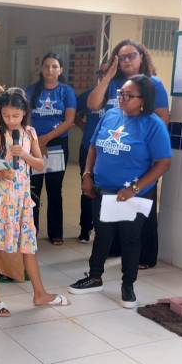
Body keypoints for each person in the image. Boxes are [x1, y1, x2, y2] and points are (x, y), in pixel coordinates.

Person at [69, 75, 172, 308]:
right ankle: (94, 277)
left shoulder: (153, 125)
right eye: (120, 94)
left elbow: (163, 163)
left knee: (130, 239)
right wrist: (87, 174)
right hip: (103, 190)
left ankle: (128, 285)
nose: (122, 98)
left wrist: (134, 189)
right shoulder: (110, 115)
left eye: (128, 95)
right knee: (102, 235)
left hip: (133, 195)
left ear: (143, 99)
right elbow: (93, 147)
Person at [0, 88, 70, 317]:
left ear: (24, 113)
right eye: (6, 115)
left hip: (22, 200)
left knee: (28, 247)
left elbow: (40, 163)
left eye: (15, 116)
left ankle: (40, 294)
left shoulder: (30, 134)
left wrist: (25, 155)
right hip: (2, 200)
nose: (10, 120)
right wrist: (0, 173)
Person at [87, 40, 170, 268]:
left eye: (131, 55)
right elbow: (93, 104)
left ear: (142, 56)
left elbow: (162, 118)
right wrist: (107, 76)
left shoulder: (152, 83)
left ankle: (144, 257)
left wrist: (142, 144)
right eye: (121, 57)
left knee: (139, 213)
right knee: (111, 208)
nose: (126, 61)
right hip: (113, 146)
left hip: (139, 156)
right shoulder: (114, 83)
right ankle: (113, 250)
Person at [25, 53, 77, 245]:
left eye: (54, 66)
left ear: (61, 70)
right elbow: (25, 117)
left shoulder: (66, 91)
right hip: (33, 145)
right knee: (33, 189)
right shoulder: (31, 90)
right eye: (46, 66)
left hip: (57, 145)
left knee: (55, 190)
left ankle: (56, 233)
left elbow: (69, 120)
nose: (50, 70)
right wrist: (36, 142)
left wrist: (46, 139)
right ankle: (31, 232)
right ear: (41, 69)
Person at [74, 63, 109, 244]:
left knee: (107, 190)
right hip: (88, 148)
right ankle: (85, 228)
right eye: (100, 72)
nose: (102, 75)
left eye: (106, 72)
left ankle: (104, 229)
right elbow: (73, 113)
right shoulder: (90, 95)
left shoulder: (118, 97)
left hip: (110, 152)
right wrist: (85, 127)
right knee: (87, 188)